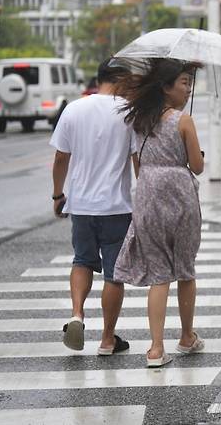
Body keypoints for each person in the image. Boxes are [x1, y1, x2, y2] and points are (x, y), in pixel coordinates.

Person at [113, 58, 205, 368]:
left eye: (189, 83)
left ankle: (155, 348)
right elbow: (198, 166)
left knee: (159, 274)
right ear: (167, 87)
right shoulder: (183, 121)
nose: (188, 89)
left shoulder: (139, 120)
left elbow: (138, 165)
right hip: (180, 194)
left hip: (148, 194)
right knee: (185, 268)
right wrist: (196, 153)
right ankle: (187, 336)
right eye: (183, 83)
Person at [51, 59, 138, 354]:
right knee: (114, 275)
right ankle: (107, 340)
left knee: (82, 261)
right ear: (122, 80)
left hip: (82, 206)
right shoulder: (129, 113)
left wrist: (57, 195)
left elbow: (61, 158)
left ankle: (77, 313)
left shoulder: (74, 109)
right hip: (116, 206)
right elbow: (137, 161)